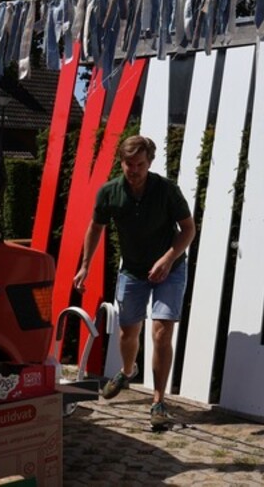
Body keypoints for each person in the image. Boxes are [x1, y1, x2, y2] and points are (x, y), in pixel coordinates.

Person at [73, 135, 196, 430]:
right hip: (132, 270)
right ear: (122, 162)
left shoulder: (166, 189)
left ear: (149, 163)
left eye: (140, 164)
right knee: (128, 333)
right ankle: (128, 371)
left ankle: (158, 402)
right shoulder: (109, 192)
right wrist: (85, 265)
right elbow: (96, 227)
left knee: (161, 333)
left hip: (170, 269)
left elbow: (188, 229)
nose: (134, 170)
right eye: (129, 164)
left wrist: (168, 259)